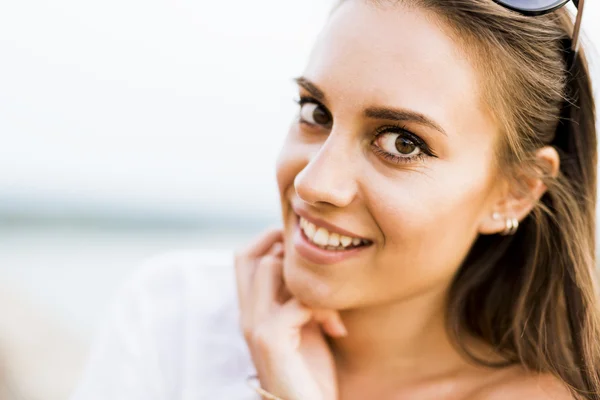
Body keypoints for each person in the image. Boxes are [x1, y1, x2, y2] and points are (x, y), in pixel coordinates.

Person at [72, 0, 599, 399]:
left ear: (516, 191)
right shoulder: (174, 318)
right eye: (315, 113)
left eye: (400, 142)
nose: (313, 184)